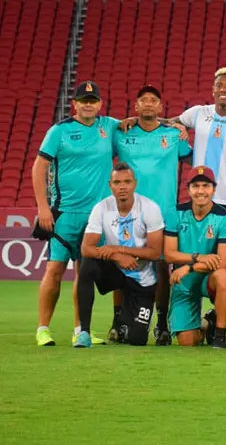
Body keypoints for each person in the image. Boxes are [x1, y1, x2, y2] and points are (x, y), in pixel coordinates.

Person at [173, 67, 226, 344]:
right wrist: (174, 126)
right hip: (199, 195)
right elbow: (165, 123)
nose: (223, 89)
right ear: (213, 90)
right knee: (193, 257)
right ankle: (187, 320)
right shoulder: (198, 113)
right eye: (219, 84)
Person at [33, 81, 118, 347]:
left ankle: (81, 329)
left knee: (85, 273)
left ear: (100, 103)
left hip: (95, 217)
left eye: (93, 100)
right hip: (64, 213)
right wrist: (43, 208)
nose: (89, 104)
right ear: (75, 104)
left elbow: (138, 122)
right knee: (55, 270)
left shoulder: (110, 126)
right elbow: (39, 168)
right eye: (84, 100)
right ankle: (43, 329)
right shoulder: (59, 131)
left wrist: (176, 125)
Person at [113, 85, 192, 345]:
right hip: (128, 212)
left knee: (161, 266)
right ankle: (119, 322)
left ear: (160, 107)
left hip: (164, 212)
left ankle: (161, 324)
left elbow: (194, 160)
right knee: (123, 264)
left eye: (153, 100)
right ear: (136, 107)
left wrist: (177, 126)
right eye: (143, 100)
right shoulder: (121, 132)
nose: (148, 104)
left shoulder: (172, 135)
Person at [75, 164, 165, 347]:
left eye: (127, 182)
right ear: (110, 185)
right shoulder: (101, 208)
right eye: (117, 182)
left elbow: (155, 253)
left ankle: (124, 317)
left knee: (137, 340)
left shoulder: (150, 208)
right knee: (87, 264)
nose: (122, 186)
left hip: (142, 282)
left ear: (135, 184)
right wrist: (117, 257)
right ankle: (83, 332)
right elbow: (86, 248)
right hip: (116, 274)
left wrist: (120, 250)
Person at [163, 167, 226, 349]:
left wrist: (189, 267)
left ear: (214, 189)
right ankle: (207, 325)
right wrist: (198, 257)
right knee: (187, 342)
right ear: (188, 189)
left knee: (224, 275)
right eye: (196, 186)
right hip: (183, 282)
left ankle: (220, 336)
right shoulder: (175, 213)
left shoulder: (224, 217)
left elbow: (224, 261)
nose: (201, 191)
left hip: (206, 278)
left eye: (206, 185)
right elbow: (169, 254)